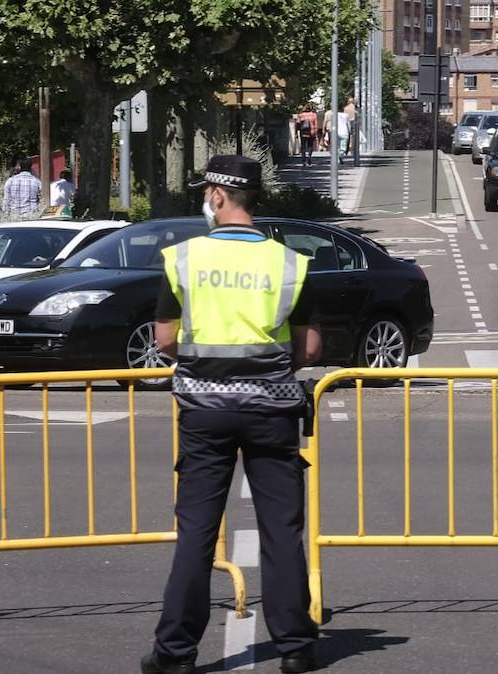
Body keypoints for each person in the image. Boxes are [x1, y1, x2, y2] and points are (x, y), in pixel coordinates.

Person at [141, 155, 321, 674]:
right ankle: (294, 646)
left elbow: (166, 340)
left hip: (203, 411)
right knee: (281, 529)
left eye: (206, 192)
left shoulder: (183, 259)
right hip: (271, 410)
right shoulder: (289, 262)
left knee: (196, 530)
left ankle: (175, 652)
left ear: (218, 195)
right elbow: (309, 348)